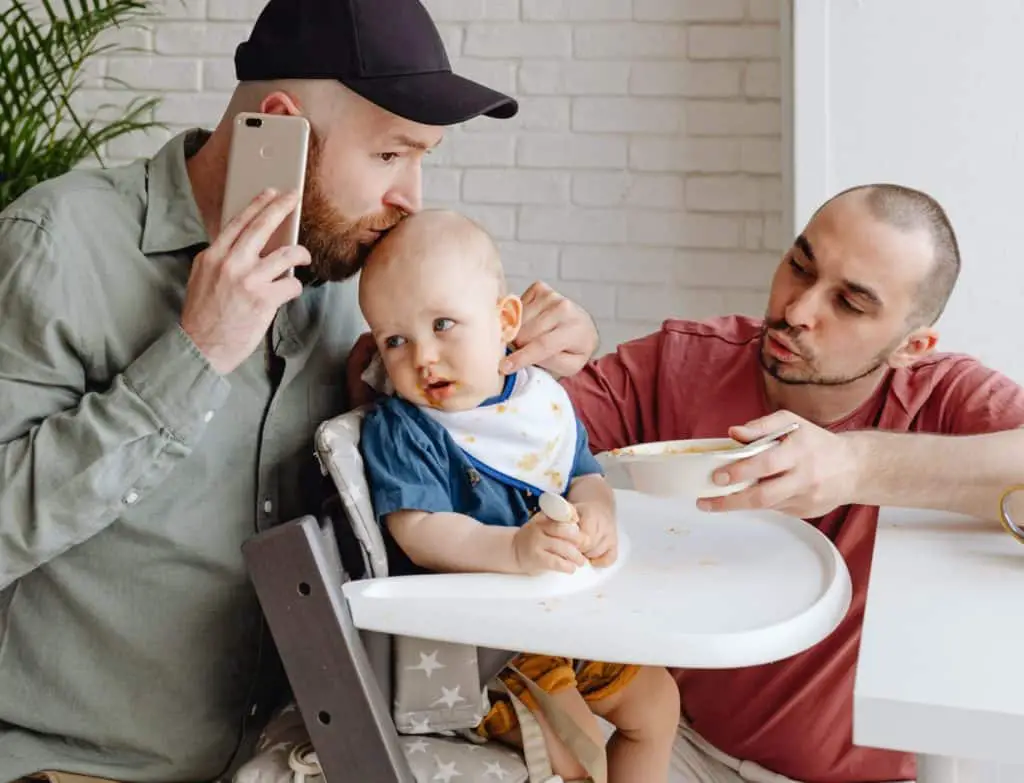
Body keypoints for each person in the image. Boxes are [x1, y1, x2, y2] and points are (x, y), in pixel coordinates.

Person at [0, 1, 600, 781]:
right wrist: (194, 354)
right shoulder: (57, 246)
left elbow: (449, 463)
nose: (410, 197)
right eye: (391, 155)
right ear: (280, 127)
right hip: (74, 766)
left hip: (297, 755)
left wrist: (520, 365)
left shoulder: (359, 285)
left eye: (423, 159)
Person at [558, 183, 1024, 783]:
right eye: (799, 267)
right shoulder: (683, 362)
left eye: (851, 304)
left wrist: (856, 466)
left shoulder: (948, 397)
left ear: (913, 347)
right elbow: (504, 434)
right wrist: (527, 358)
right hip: (674, 745)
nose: (798, 310)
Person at [355, 209, 680, 783]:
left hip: (567, 613)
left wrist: (598, 510)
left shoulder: (536, 401)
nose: (422, 357)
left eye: (444, 325)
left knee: (658, 706)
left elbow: (583, 471)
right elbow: (420, 532)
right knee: (584, 754)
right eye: (396, 340)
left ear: (504, 320)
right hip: (487, 645)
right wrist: (513, 551)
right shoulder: (406, 428)